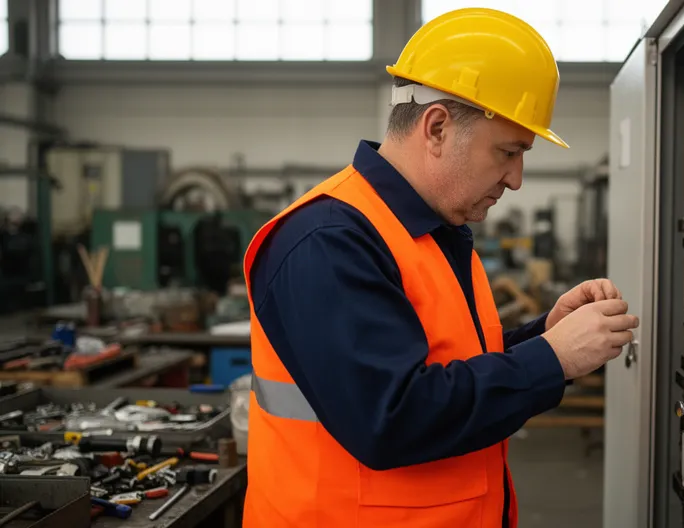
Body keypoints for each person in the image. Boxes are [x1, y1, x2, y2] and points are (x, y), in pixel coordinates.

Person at [241, 8, 639, 528]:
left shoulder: (431, 231)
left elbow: (447, 364)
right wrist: (552, 358)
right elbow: (390, 418)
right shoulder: (328, 242)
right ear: (436, 129)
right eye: (508, 152)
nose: (516, 179)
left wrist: (544, 334)